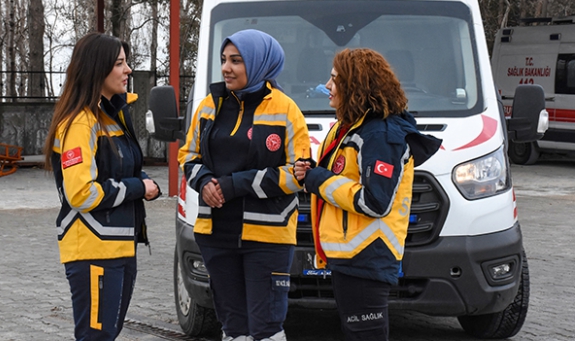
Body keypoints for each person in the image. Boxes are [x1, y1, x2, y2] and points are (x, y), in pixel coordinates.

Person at [294, 48, 441, 341]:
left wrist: (318, 179)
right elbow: (343, 176)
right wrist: (313, 172)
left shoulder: (380, 135)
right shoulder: (353, 128)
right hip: (352, 257)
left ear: (354, 86)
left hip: (366, 257)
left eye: (335, 79)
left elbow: (375, 202)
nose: (327, 85)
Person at [178, 29, 311, 341]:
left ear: (259, 63)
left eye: (236, 61)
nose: (226, 68)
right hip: (216, 234)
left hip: (268, 238)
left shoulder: (287, 110)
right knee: (233, 328)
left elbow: (298, 173)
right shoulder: (209, 106)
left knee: (266, 328)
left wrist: (234, 185)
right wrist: (205, 182)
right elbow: (189, 155)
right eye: (224, 60)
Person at [42, 32, 161, 341]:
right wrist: (138, 187)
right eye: (120, 63)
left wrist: (142, 179)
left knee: (107, 334)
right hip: (93, 248)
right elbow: (81, 193)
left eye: (127, 62)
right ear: (98, 69)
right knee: (96, 337)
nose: (128, 70)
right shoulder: (81, 122)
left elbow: (118, 167)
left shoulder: (113, 115)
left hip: (119, 245)